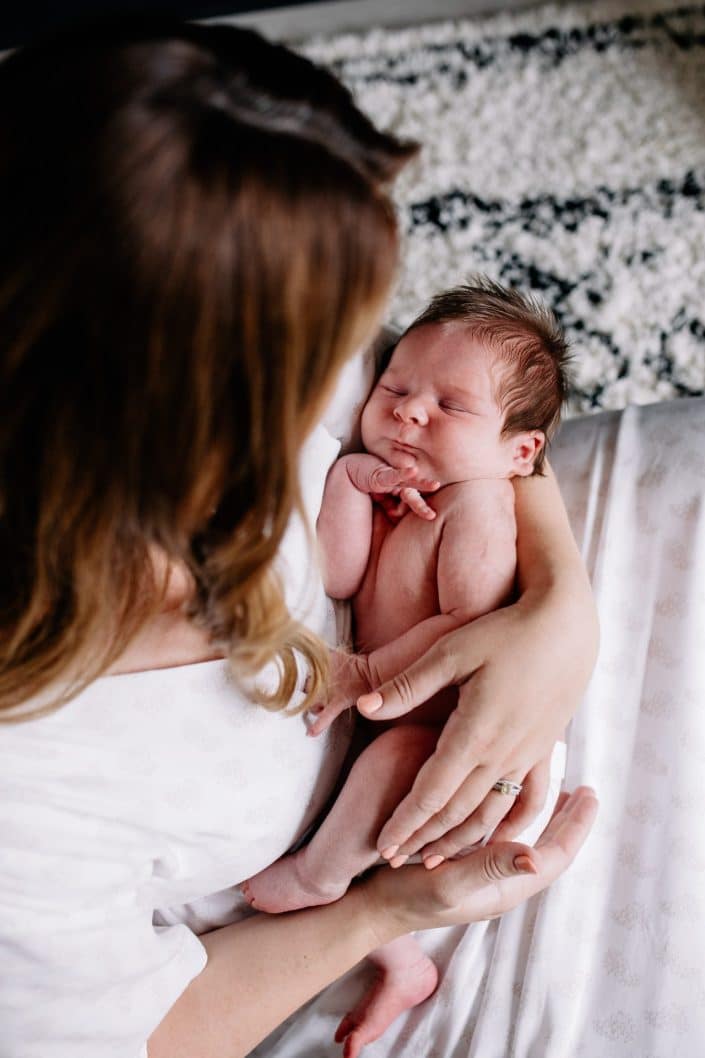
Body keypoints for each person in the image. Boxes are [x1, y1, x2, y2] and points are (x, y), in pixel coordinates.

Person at [0, 17, 598, 1058]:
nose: (364, 388)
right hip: (344, 893)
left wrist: (556, 611)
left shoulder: (244, 380)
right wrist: (390, 911)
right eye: (327, 348)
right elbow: (148, 1034)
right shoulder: (30, 791)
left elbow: (491, 435)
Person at [242, 279, 571, 1057]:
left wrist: (367, 675)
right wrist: (352, 483)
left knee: (387, 767)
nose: (407, 411)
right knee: (366, 799)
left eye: (450, 408)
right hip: (399, 709)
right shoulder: (399, 486)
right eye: (393, 387)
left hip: (455, 737)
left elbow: (462, 626)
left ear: (519, 451)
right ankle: (403, 970)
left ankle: (318, 881)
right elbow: (338, 577)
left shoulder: (480, 504)